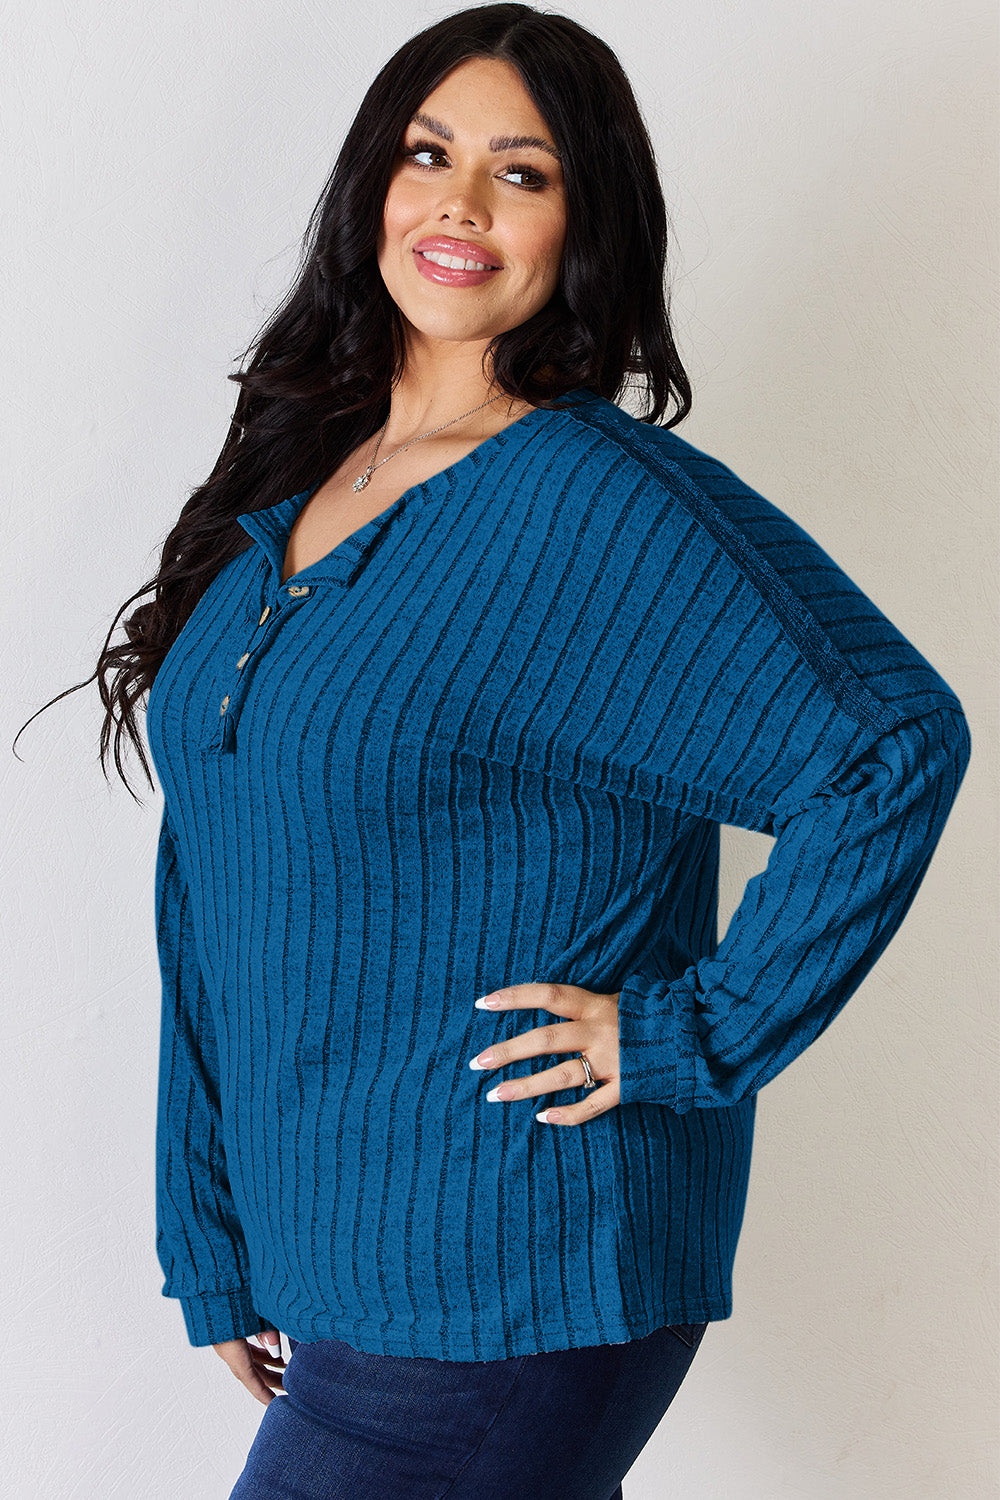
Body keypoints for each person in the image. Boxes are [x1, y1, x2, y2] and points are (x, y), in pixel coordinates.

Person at [18, 5, 970, 1497]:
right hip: (347, 1269)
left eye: (522, 173)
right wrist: (205, 1224)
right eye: (428, 153)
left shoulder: (595, 503)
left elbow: (890, 743)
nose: (461, 201)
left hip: (513, 1265)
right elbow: (216, 878)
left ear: (583, 224)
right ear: (371, 191)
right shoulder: (302, 479)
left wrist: (684, 1035)